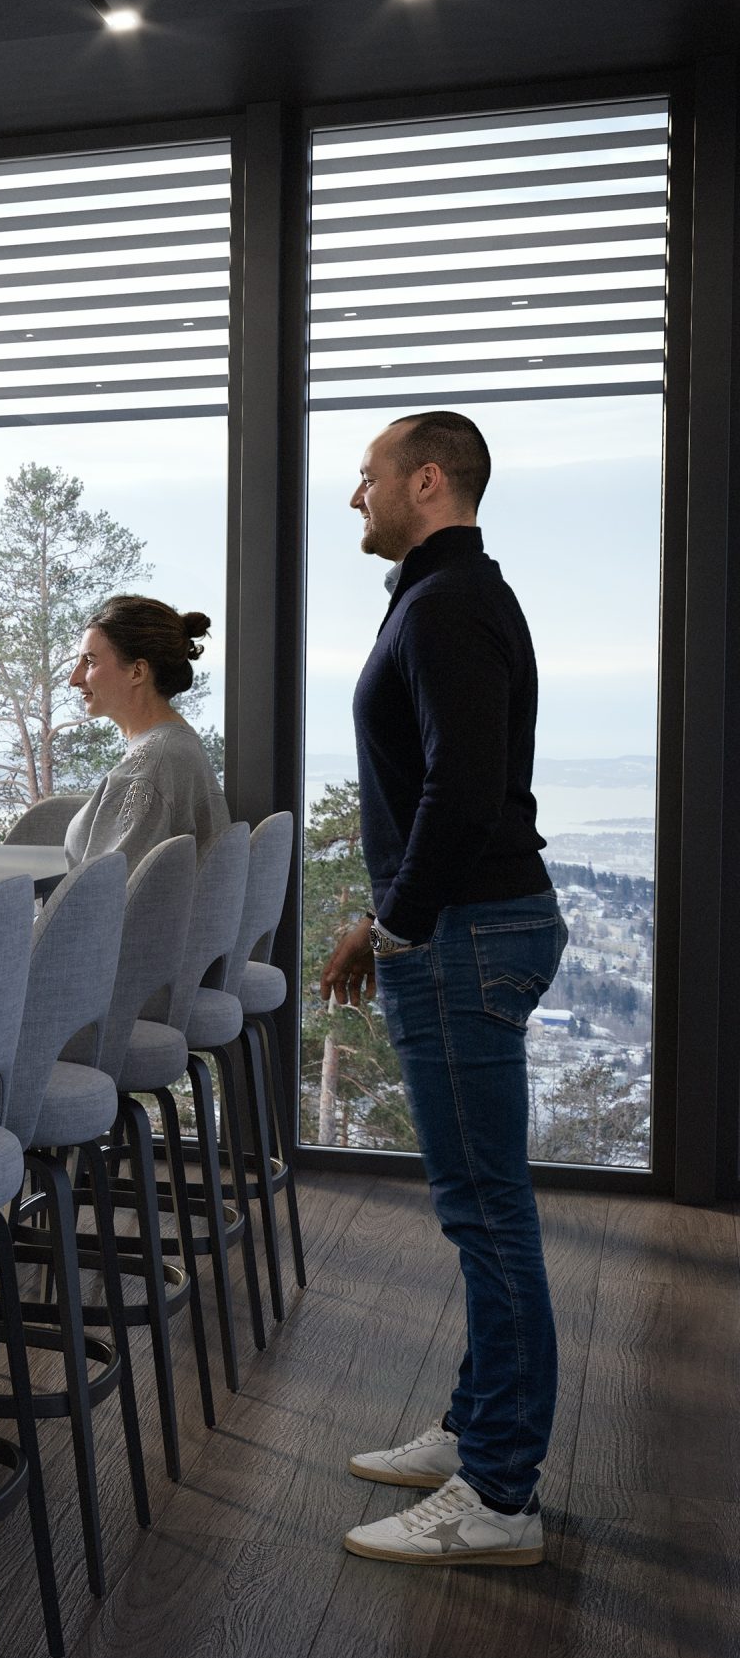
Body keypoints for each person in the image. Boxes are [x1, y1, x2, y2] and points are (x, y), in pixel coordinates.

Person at [319, 410, 563, 1567]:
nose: (352, 497)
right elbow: (450, 786)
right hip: (464, 926)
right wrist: (390, 919)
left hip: (465, 933)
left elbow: (462, 792)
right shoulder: (443, 596)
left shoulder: (448, 604)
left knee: (488, 1220)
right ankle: (477, 1433)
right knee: (483, 1216)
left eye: (367, 477)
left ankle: (498, 1498)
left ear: (425, 480)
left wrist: (395, 924)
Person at [59, 595, 229, 862]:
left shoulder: (149, 769)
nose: (74, 679)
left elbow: (107, 894)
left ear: (137, 672)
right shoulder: (176, 743)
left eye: (90, 662)